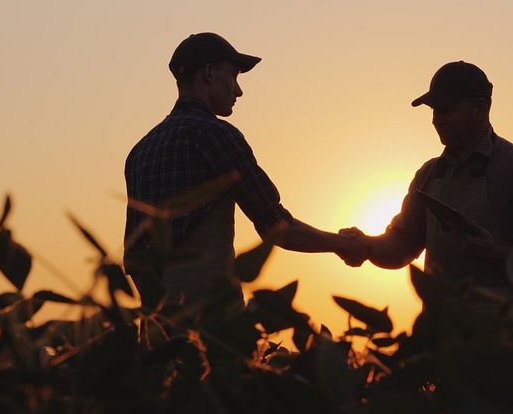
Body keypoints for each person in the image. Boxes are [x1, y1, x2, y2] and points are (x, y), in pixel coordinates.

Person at [124, 33, 369, 310]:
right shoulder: (215, 135)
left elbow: (133, 258)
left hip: (156, 334)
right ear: (208, 73)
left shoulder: (139, 152)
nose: (238, 91)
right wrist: (343, 244)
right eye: (234, 76)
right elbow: (276, 226)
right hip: (212, 329)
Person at [339, 61, 513, 287]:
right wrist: (365, 245)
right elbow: (402, 247)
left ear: (480, 108)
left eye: (447, 110)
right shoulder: (428, 175)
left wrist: (498, 253)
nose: (436, 120)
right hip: (441, 322)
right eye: (434, 111)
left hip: (505, 322)